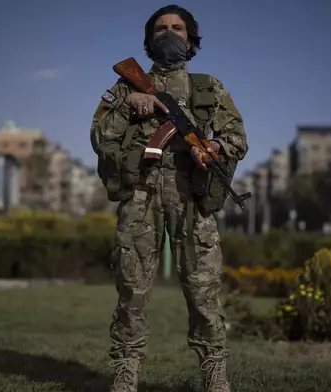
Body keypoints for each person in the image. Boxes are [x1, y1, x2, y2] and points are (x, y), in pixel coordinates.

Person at [90, 4, 248, 392]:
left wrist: (211, 147)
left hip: (191, 194)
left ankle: (215, 373)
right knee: (131, 287)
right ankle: (126, 372)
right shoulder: (128, 85)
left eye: (178, 28)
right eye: (161, 28)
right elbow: (99, 136)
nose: (170, 33)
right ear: (149, 40)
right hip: (140, 192)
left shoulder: (209, 86)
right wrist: (131, 105)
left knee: (203, 288)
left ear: (191, 39)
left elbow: (237, 139)